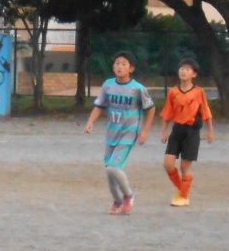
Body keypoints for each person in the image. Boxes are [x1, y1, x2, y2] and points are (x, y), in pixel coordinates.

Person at [84, 51, 155, 215]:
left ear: (131, 68)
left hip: (129, 133)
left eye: (124, 64)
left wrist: (145, 131)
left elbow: (151, 109)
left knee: (113, 168)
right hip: (111, 134)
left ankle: (129, 196)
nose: (119, 66)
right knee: (109, 174)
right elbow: (99, 106)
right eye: (117, 63)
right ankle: (117, 201)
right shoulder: (108, 85)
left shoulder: (137, 89)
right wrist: (90, 121)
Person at [160, 57, 215, 207]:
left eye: (187, 69)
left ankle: (183, 197)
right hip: (177, 130)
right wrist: (164, 131)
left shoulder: (199, 92)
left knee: (185, 166)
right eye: (182, 69)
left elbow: (206, 112)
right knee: (168, 164)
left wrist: (210, 131)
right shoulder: (173, 92)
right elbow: (168, 113)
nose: (183, 71)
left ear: (194, 74)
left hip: (191, 132)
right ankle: (182, 189)